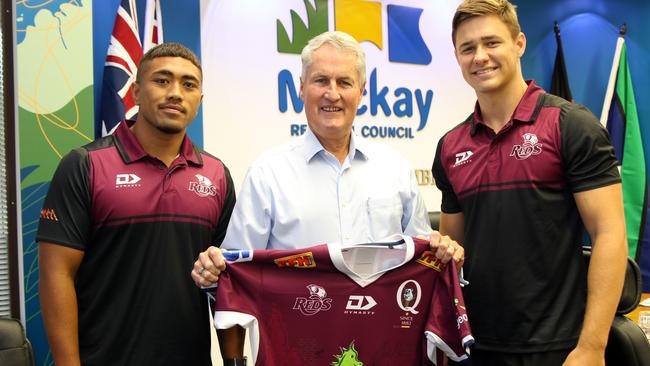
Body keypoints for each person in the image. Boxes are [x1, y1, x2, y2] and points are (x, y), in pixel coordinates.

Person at [190, 31, 464, 363]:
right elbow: (232, 275)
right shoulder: (267, 173)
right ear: (302, 87)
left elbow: (422, 261)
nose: (332, 93)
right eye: (321, 80)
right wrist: (211, 274)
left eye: (344, 82)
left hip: (383, 352)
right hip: (298, 353)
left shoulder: (396, 170)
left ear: (362, 91)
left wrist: (444, 253)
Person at [432, 1, 627, 365]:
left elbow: (610, 234)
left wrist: (592, 346)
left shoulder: (570, 125)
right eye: (468, 48)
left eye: (492, 43)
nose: (480, 57)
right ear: (457, 57)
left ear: (519, 43)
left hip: (558, 348)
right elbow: (453, 253)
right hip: (475, 346)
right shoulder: (450, 147)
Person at [37, 43, 235, 366]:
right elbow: (56, 273)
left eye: (189, 85)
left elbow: (227, 281)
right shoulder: (85, 165)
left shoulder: (217, 176)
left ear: (199, 101)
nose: (175, 93)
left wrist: (234, 361)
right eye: (162, 80)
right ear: (136, 92)